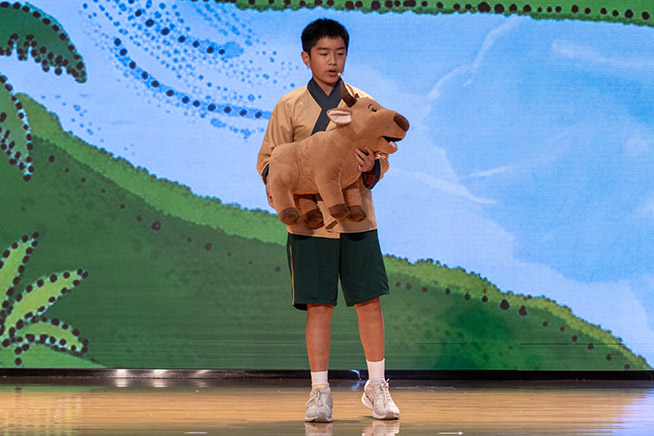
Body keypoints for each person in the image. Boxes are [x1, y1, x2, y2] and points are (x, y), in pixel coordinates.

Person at [256, 18, 400, 423]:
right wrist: (275, 183)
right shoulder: (289, 106)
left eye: (339, 53)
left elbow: (383, 155)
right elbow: (270, 158)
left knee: (369, 301)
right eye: (323, 53)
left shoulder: (364, 102)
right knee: (319, 305)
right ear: (306, 57)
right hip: (310, 222)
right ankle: (319, 391)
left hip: (357, 219)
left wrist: (372, 165)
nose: (333, 61)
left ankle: (377, 386)